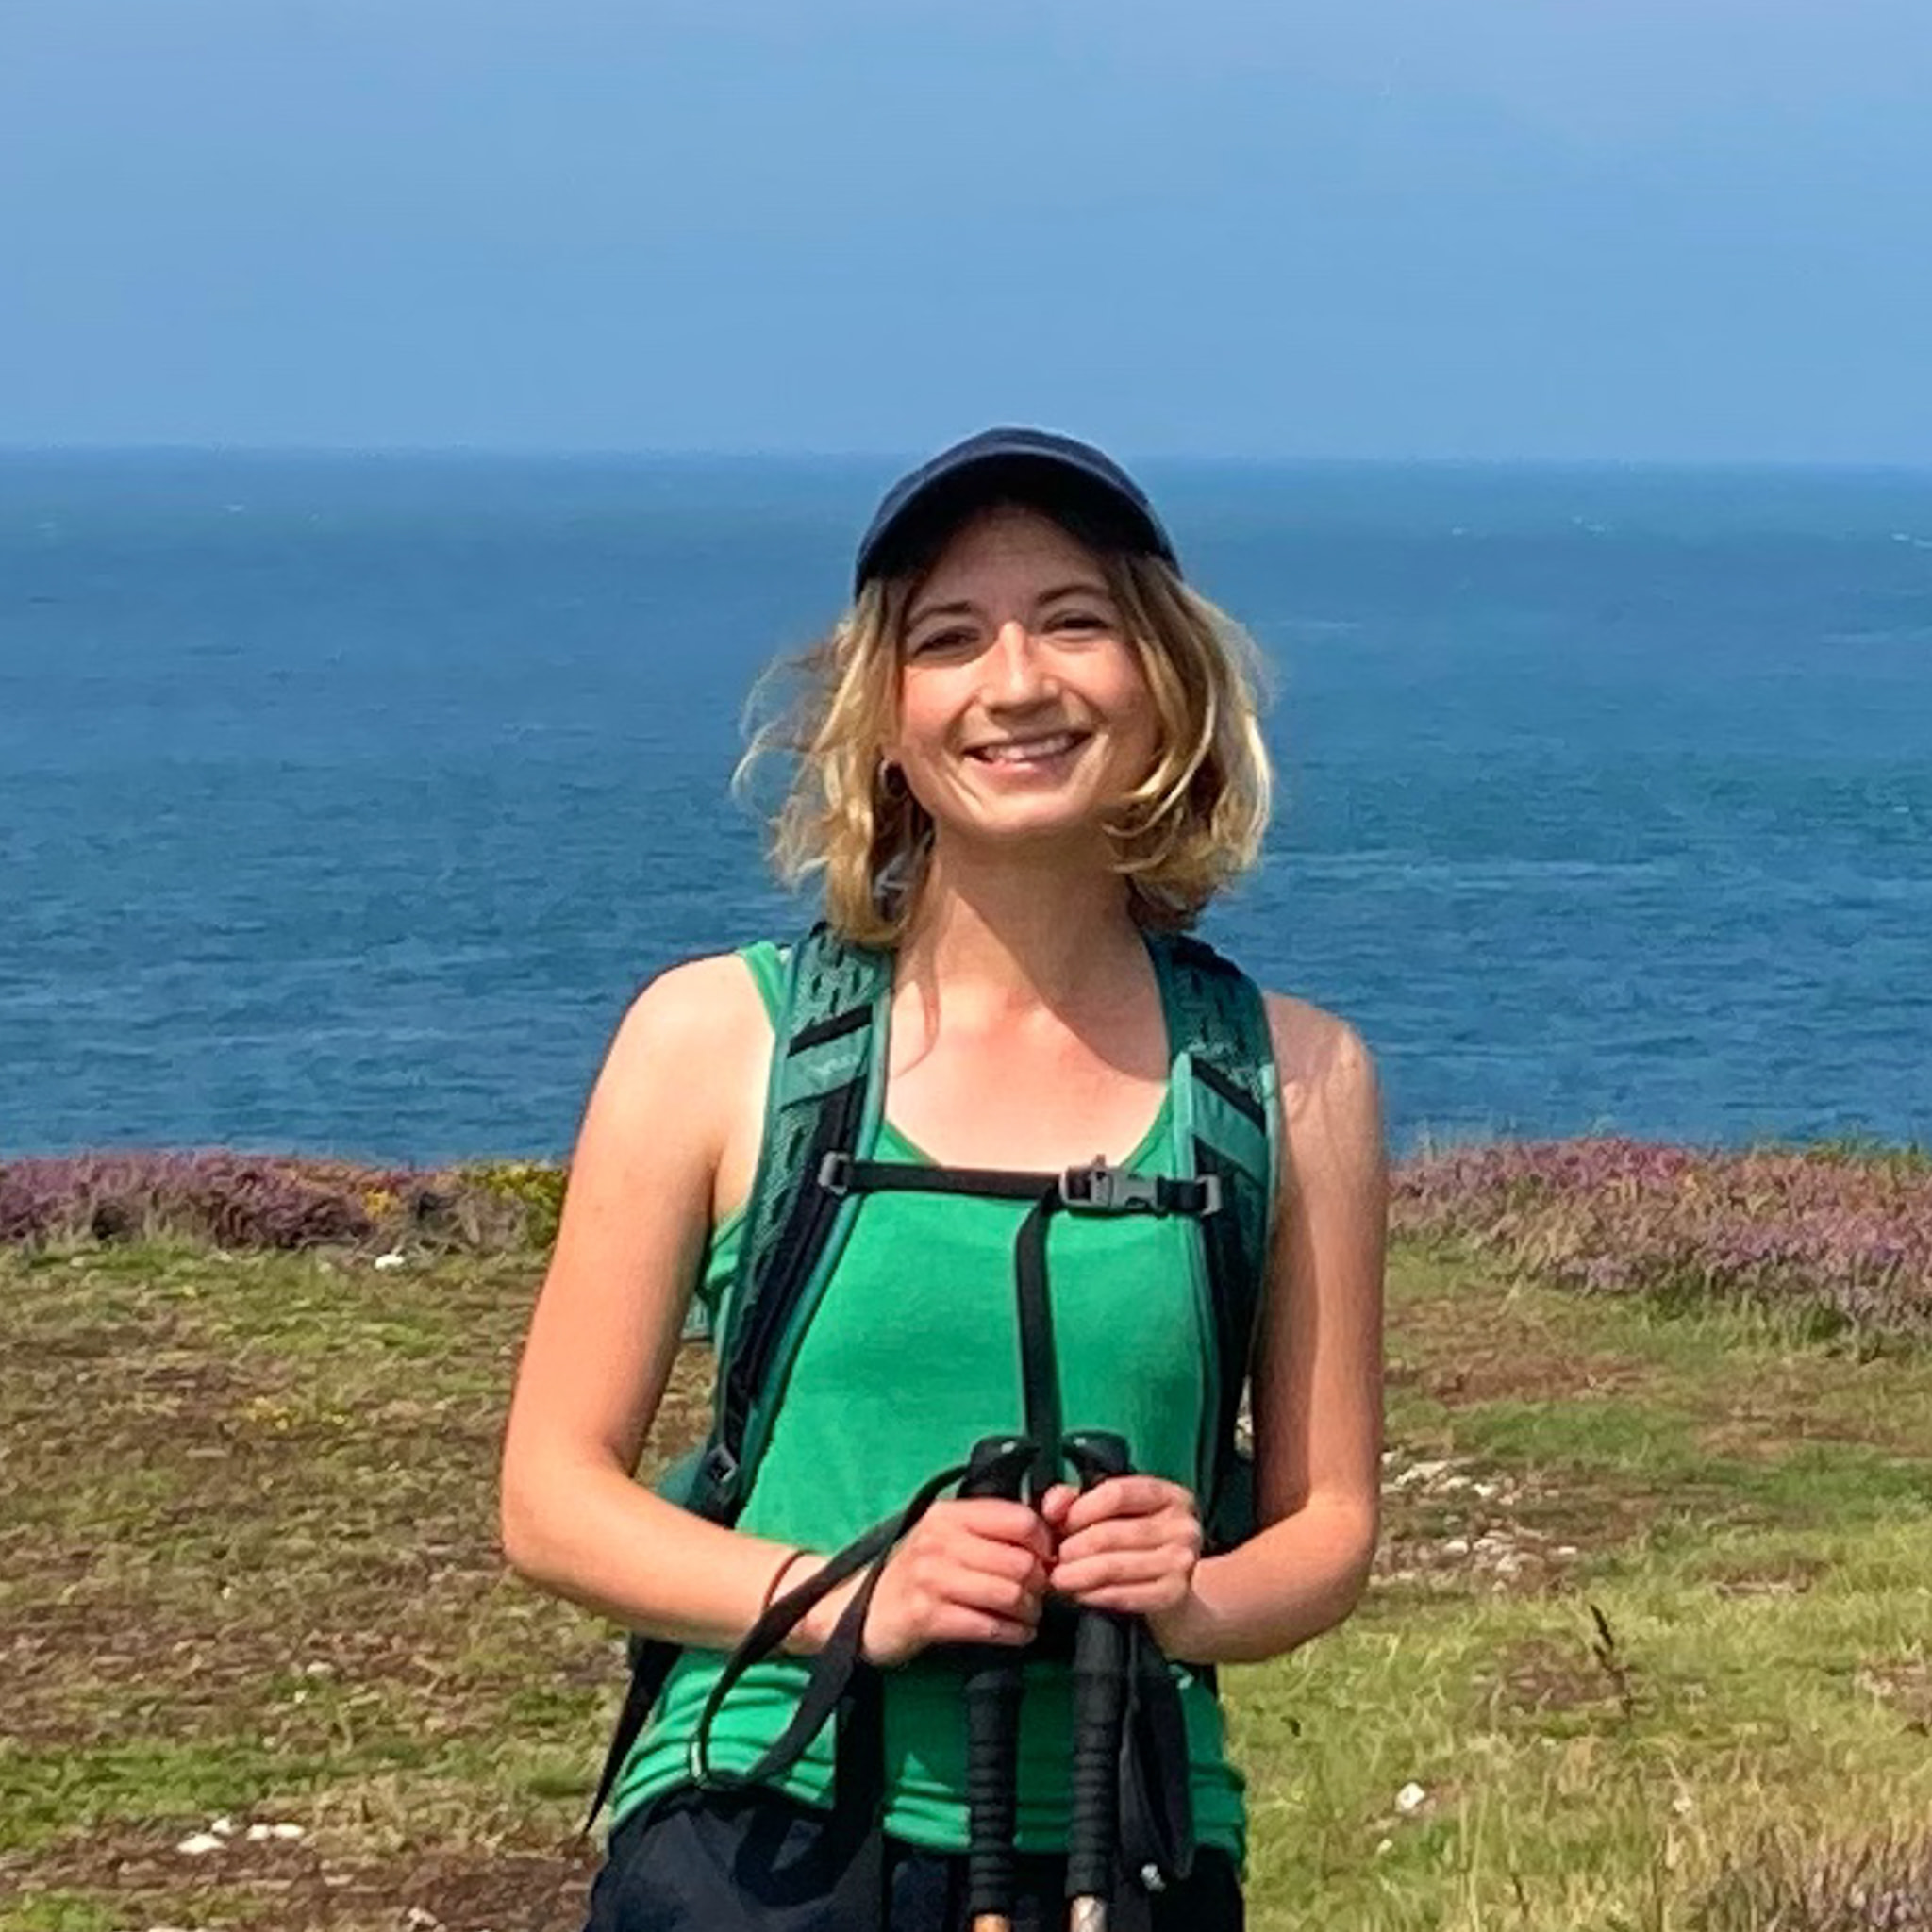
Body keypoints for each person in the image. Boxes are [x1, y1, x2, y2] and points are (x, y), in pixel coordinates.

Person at [499, 426, 1387, 1932]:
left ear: (1166, 682)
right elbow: (549, 1500)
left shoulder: (1296, 1082)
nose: (1018, 682)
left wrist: (1189, 1596)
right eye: (951, 638)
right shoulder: (717, 1040)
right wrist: (863, 1598)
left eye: (1077, 621)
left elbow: (1328, 1528)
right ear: (885, 715)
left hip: (1129, 1855)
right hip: (752, 1838)